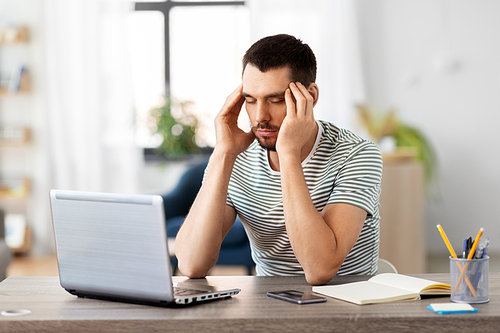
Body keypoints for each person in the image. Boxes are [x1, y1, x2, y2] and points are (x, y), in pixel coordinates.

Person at [175, 34, 382, 285]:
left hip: (347, 304)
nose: (260, 116)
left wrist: (288, 155)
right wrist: (223, 154)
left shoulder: (356, 154)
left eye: (275, 100)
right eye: (250, 100)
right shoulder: (236, 157)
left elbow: (320, 269)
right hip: (269, 305)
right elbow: (191, 264)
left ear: (310, 97)